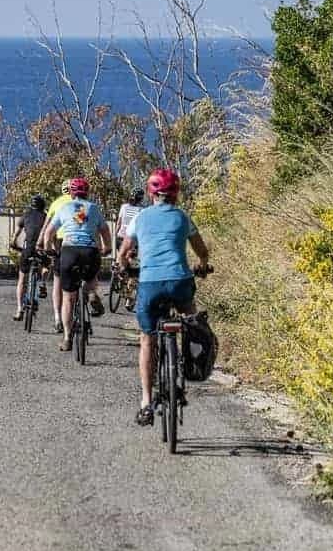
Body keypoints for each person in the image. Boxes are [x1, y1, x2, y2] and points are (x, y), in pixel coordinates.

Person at [118, 168, 209, 427]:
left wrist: (125, 269)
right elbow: (201, 251)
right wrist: (202, 264)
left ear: (151, 193)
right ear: (176, 194)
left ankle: (146, 402)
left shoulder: (141, 217)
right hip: (180, 282)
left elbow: (124, 253)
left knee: (147, 339)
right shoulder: (183, 217)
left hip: (150, 284)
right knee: (191, 321)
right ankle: (190, 360)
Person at [40, 177, 112, 351]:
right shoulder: (94, 208)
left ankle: (66, 338)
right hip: (89, 251)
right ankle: (92, 293)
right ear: (87, 193)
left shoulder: (64, 207)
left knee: (68, 298)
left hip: (69, 252)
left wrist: (49, 249)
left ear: (72, 193)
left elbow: (49, 232)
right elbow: (105, 231)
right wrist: (107, 248)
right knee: (92, 277)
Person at [38, 179, 73, 333]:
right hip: (76, 241)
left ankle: (58, 318)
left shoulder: (56, 203)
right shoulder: (79, 203)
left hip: (59, 242)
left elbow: (47, 226)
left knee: (58, 280)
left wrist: (41, 243)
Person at [11, 194, 47, 321]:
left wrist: (14, 243)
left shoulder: (26, 215)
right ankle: (43, 282)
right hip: (40, 248)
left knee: (22, 279)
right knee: (47, 264)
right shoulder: (45, 217)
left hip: (27, 249)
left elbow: (16, 234)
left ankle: (19, 309)